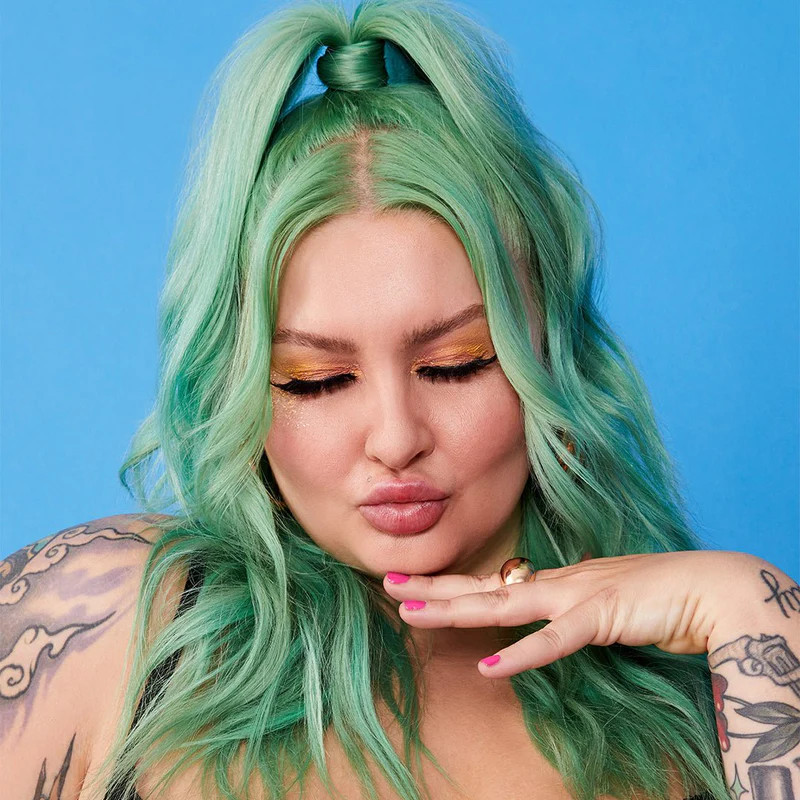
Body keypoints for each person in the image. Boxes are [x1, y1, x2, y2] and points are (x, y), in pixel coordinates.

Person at [4, 0, 765, 797]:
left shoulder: (714, 701)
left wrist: (752, 608)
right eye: (316, 379)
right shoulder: (96, 625)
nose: (396, 438)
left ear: (549, 358)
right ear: (240, 386)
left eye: (457, 366)